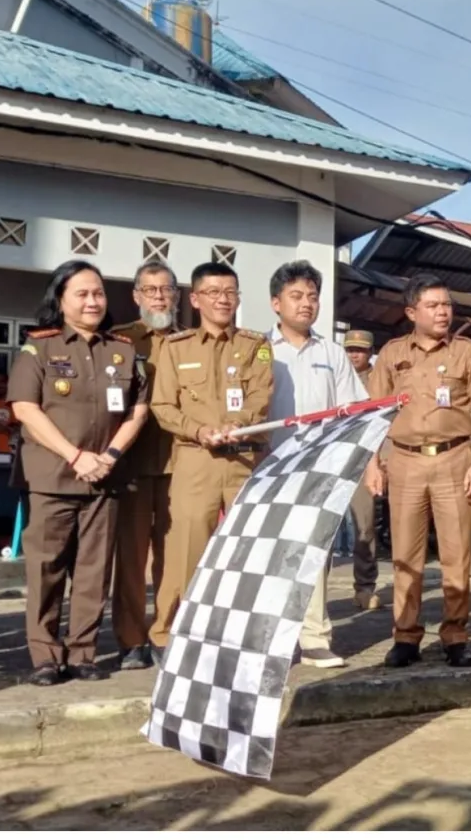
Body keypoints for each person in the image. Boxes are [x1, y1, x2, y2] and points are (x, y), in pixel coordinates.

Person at [8, 261, 149, 685]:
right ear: (61, 300)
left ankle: (84, 653)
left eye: (99, 294)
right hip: (52, 478)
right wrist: (75, 456)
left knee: (93, 572)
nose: (93, 301)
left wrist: (109, 454)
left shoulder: (122, 350)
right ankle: (46, 656)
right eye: (82, 294)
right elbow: (24, 408)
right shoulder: (40, 348)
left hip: (104, 478)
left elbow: (138, 408)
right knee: (47, 570)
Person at [364, 274, 471, 668]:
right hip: (404, 461)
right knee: (406, 555)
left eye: (447, 305)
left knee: (457, 554)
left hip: (455, 460)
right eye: (433, 306)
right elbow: (374, 412)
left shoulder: (467, 352)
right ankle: (405, 637)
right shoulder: (390, 354)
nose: (443, 312)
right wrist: (372, 462)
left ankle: (455, 636)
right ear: (411, 312)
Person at [148, 262, 273, 658]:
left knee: (245, 551)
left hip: (242, 459)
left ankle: (239, 635)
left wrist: (237, 424)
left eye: (231, 292)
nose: (224, 299)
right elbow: (163, 405)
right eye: (215, 292)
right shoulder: (175, 347)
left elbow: (260, 397)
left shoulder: (256, 346)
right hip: (194, 459)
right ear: (196, 298)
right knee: (187, 549)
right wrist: (199, 430)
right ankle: (172, 634)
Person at [264, 260, 363, 669]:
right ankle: (274, 640)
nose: (307, 304)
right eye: (297, 296)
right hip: (271, 470)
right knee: (272, 558)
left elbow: (354, 409)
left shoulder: (332, 353)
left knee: (314, 556)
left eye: (313, 296)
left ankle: (315, 637)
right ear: (276, 303)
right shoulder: (259, 350)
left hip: (319, 471)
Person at [107, 261, 181, 671]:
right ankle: (131, 639)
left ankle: (165, 633)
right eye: (149, 289)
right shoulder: (119, 341)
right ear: (136, 296)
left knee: (174, 559)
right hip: (132, 465)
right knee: (131, 560)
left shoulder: (190, 341)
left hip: (180, 463)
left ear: (177, 295)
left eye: (165, 289)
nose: (158, 296)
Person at [342, 329, 382, 610]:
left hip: (366, 460)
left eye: (360, 349)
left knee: (364, 528)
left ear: (370, 352)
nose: (354, 354)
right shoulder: (334, 375)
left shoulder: (380, 381)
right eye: (350, 349)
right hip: (334, 459)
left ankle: (365, 587)